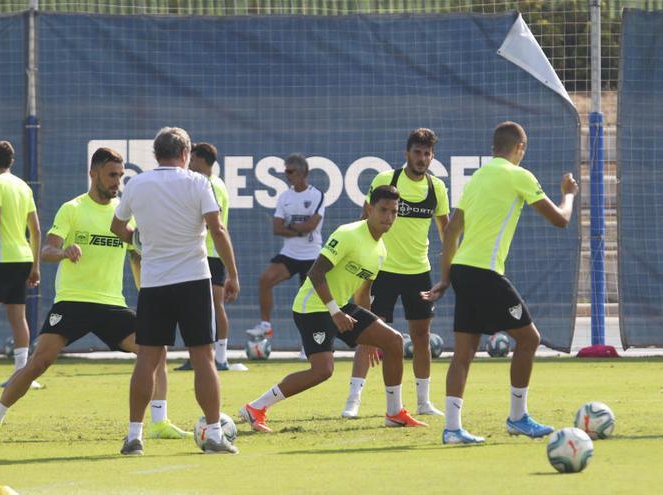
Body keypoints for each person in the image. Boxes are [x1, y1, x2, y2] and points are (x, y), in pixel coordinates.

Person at [0, 148, 190, 442]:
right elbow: (47, 250)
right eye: (112, 175)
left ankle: (159, 421)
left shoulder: (125, 215)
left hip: (112, 305)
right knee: (39, 362)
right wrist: (64, 251)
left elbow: (137, 258)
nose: (117, 181)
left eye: (120, 175)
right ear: (93, 174)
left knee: (156, 350)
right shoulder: (73, 209)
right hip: (73, 302)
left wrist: (150, 293)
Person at [424, 121, 579, 444]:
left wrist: (446, 277)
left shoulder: (478, 176)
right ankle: (518, 418)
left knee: (464, 353)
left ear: (494, 147)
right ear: (519, 148)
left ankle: (452, 429)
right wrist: (568, 195)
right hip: (484, 272)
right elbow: (561, 220)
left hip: (464, 270)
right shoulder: (519, 175)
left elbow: (451, 231)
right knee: (529, 340)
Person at [239, 185, 427, 432]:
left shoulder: (380, 250)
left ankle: (394, 413)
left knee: (392, 341)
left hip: (342, 306)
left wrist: (369, 336)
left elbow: (362, 293)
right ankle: (255, 407)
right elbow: (316, 272)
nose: (388, 217)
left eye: (394, 212)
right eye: (383, 210)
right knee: (323, 371)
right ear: (369, 208)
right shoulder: (348, 234)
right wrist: (335, 312)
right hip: (313, 307)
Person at [111, 127, 240, 455]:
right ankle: (213, 433)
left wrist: (140, 240)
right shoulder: (199, 182)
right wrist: (233, 274)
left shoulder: (136, 184)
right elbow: (217, 229)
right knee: (203, 357)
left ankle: (133, 436)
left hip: (154, 283)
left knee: (148, 360)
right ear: (185, 154)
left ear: (156, 154)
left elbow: (117, 227)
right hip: (194, 281)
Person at [341, 128, 449, 418]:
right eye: (417, 152)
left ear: (432, 156)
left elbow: (446, 233)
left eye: (427, 153)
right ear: (406, 154)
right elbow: (363, 223)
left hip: (419, 272)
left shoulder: (436, 188)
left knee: (422, 336)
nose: (422, 158)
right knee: (367, 336)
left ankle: (424, 402)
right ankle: (353, 400)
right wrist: (361, 268)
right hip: (383, 271)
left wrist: (448, 270)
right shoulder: (385, 181)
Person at [0, 141, 41, 389]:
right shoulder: (23, 186)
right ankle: (22, 375)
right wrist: (35, 266)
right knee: (18, 316)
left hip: (2, 260)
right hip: (24, 259)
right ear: (11, 161)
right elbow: (35, 229)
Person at [245, 154, 324, 342]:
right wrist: (297, 231)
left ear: (302, 172)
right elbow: (276, 228)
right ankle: (266, 327)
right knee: (265, 280)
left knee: (309, 303)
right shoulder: (284, 197)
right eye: (285, 171)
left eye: (290, 171)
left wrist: (291, 228)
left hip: (312, 255)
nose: (286, 175)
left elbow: (311, 225)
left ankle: (311, 343)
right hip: (290, 254)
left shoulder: (317, 195)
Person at [176, 142, 231, 371]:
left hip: (207, 253)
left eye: (193, 158)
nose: (189, 162)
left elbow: (212, 224)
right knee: (209, 306)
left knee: (211, 306)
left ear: (201, 160)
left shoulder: (210, 185)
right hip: (210, 253)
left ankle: (216, 357)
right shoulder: (216, 183)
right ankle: (214, 357)